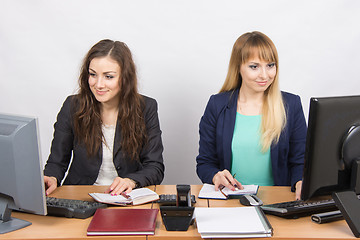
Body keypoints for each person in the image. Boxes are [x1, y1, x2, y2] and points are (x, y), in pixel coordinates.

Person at [44, 39, 164, 196]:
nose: (99, 84)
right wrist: (52, 177)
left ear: (125, 78)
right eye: (93, 74)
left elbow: (155, 167)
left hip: (125, 198)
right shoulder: (72, 106)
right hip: (80, 196)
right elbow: (56, 162)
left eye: (108, 77)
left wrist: (131, 180)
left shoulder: (146, 107)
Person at [196, 31, 307, 200]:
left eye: (270, 65)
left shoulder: (291, 105)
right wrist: (215, 175)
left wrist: (300, 181)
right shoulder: (217, 105)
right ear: (238, 67)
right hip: (231, 199)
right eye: (254, 66)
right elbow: (205, 163)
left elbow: (301, 161)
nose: (264, 74)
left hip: (279, 200)